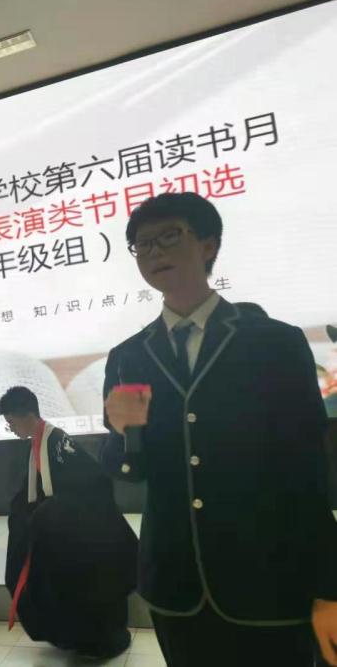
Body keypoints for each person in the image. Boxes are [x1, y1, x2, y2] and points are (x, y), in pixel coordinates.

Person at [100, 192, 337, 666]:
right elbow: (132, 469)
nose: (155, 252)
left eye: (170, 236)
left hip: (270, 581)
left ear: (209, 244)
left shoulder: (274, 343)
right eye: (143, 245)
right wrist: (123, 433)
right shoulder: (128, 356)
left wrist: (329, 588)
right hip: (175, 584)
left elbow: (309, 471)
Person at [0, 386, 136, 660]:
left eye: (11, 422)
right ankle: (75, 638)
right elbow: (32, 491)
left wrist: (53, 512)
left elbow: (94, 482)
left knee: (88, 591)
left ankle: (101, 642)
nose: (10, 428)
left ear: (26, 415)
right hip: (62, 535)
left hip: (80, 539)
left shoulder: (58, 442)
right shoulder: (38, 443)